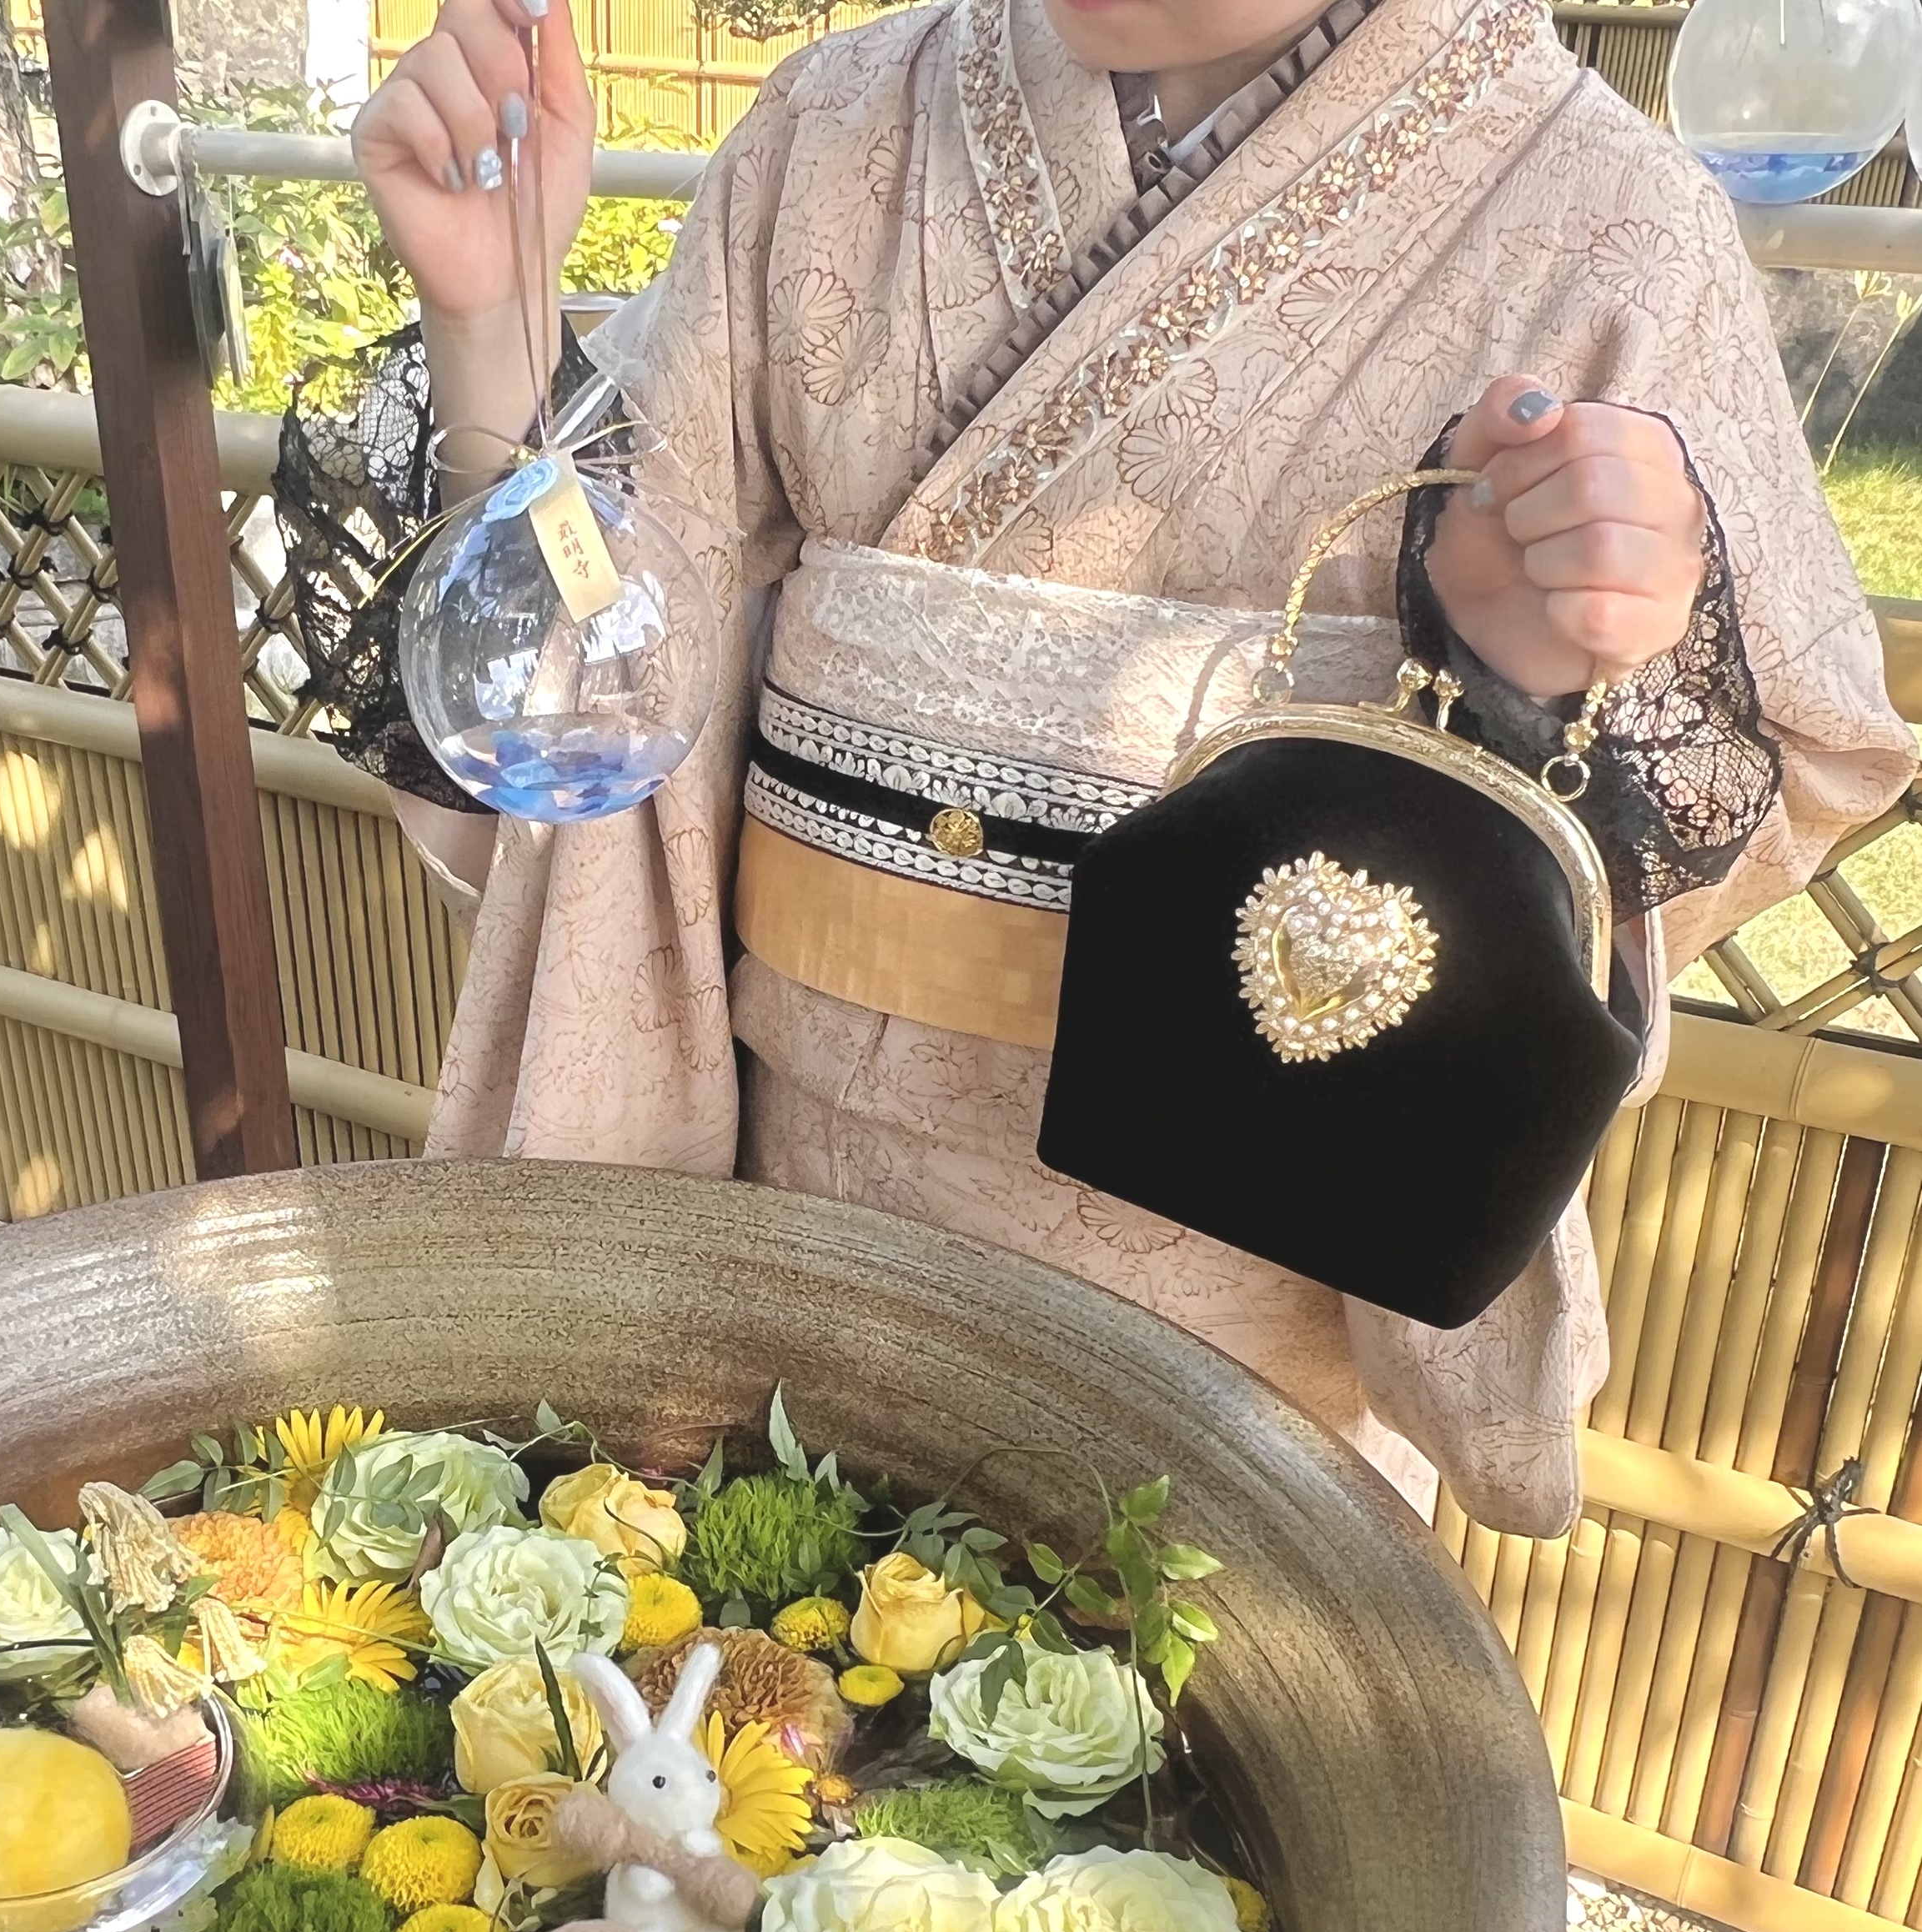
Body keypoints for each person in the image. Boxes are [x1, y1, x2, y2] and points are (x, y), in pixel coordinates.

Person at [309, 0, 1917, 1536]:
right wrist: (487, 324)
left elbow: (1795, 756)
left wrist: (1532, 683)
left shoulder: (1607, 218)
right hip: (787, 1182)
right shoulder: (829, 127)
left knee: (1147, 1748)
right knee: (756, 1706)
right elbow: (606, 626)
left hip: (1235, 1265)